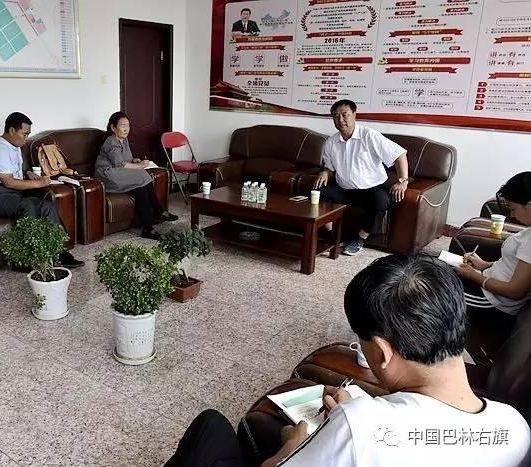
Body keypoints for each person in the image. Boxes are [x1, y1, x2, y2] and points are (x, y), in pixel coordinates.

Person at [165, 254, 531, 467]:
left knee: (211, 427)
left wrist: (293, 444)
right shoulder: (515, 427)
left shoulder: (361, 428)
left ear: (382, 353)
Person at [0, 112, 83, 268]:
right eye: (24, 134)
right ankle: (23, 260)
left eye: (28, 134)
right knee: (28, 205)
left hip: (9, 194)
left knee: (47, 205)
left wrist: (28, 173)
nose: (26, 138)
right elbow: (9, 182)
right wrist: (40, 183)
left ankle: (60, 252)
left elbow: (14, 173)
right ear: (11, 131)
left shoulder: (15, 147)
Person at [314, 99, 409, 256]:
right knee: (318, 193)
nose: (341, 120)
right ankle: (333, 235)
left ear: (354, 114)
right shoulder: (331, 142)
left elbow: (400, 154)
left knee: (380, 202)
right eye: (336, 116)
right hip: (344, 189)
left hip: (372, 189)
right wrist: (325, 172)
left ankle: (359, 239)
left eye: (345, 115)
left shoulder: (369, 135)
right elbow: (329, 167)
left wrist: (403, 181)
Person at [455, 172, 531, 319]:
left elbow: (515, 291)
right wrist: (484, 265)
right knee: (432, 271)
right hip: (487, 284)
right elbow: (513, 265)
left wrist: (474, 276)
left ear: (529, 205)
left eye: (513, 209)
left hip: (492, 301)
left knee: (429, 290)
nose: (512, 215)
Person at [95, 111, 177, 240]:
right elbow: (119, 163)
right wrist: (140, 166)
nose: (126, 129)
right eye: (122, 126)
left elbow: (127, 159)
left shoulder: (124, 139)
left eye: (128, 125)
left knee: (141, 189)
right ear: (113, 127)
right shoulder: (111, 142)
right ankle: (159, 211)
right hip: (108, 175)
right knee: (143, 175)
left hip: (119, 172)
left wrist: (134, 160)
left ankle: (148, 227)